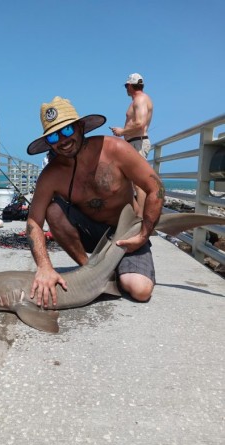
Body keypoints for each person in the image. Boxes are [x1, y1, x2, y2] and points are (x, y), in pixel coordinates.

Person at [26, 96, 164, 308]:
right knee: (53, 210)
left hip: (126, 231)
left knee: (139, 290)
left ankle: (121, 266)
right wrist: (44, 266)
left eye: (67, 131)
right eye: (53, 137)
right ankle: (90, 270)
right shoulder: (51, 175)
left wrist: (144, 233)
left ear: (80, 126)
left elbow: (155, 188)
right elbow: (34, 221)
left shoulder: (115, 149)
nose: (62, 140)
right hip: (92, 235)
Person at [110, 73, 153, 215]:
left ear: (130, 85)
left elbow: (140, 124)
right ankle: (135, 213)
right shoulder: (139, 99)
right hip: (133, 143)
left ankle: (139, 218)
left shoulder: (140, 100)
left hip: (137, 143)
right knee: (127, 181)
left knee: (138, 182)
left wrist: (122, 131)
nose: (126, 89)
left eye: (126, 86)